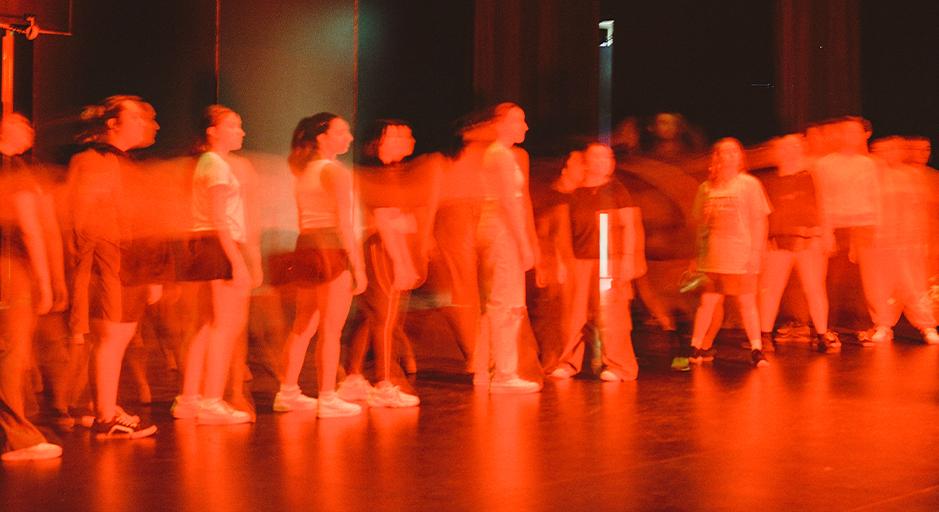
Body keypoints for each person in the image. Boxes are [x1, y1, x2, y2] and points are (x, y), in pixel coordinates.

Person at [65, 95, 160, 438]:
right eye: (138, 118)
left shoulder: (120, 162)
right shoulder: (93, 161)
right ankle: (105, 415)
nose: (150, 125)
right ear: (112, 123)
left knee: (117, 338)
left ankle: (102, 405)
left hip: (125, 261)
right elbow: (85, 221)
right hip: (112, 262)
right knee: (111, 338)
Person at [171, 105, 262, 424]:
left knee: (207, 326)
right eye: (234, 126)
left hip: (207, 243)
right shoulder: (217, 165)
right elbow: (219, 217)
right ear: (212, 131)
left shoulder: (210, 163)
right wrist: (238, 261)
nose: (241, 132)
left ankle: (190, 398)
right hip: (217, 244)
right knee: (224, 327)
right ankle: (210, 401)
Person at [339, 119, 437, 407]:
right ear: (376, 142)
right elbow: (384, 220)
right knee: (385, 317)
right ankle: (383, 381)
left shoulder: (393, 173)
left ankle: (353, 376)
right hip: (381, 250)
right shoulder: (374, 174)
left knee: (372, 318)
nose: (405, 141)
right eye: (394, 137)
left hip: (387, 247)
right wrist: (403, 262)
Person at [277, 112, 365, 417]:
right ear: (321, 137)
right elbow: (344, 223)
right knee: (331, 328)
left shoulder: (304, 173)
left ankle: (288, 391)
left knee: (303, 324)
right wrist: (358, 265)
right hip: (330, 247)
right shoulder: (335, 172)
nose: (349, 137)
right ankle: (327, 395)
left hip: (306, 244)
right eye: (341, 132)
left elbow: (304, 219)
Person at [549, 142, 643, 381]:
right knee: (573, 317)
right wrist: (561, 261)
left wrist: (628, 260)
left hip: (608, 261)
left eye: (607, 158)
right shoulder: (574, 192)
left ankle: (619, 366)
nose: (604, 162)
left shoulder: (617, 190)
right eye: (597, 158)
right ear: (587, 162)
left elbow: (630, 225)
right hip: (580, 261)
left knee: (612, 317)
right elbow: (563, 231)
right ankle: (568, 363)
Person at [0, 113, 61, 461]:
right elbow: (29, 228)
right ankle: (18, 438)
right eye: (23, 123)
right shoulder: (15, 170)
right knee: (12, 353)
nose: (31, 129)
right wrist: (44, 279)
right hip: (11, 269)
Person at [688, 138, 771, 368]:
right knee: (707, 302)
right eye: (725, 152)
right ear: (717, 157)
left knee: (747, 302)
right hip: (713, 256)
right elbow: (701, 226)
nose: (731, 156)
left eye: (735, 151)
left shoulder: (749, 184)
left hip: (741, 255)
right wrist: (697, 255)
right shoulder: (706, 188)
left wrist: (756, 251)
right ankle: (695, 347)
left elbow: (759, 221)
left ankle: (757, 349)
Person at [757, 134, 841, 352]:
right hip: (778, 240)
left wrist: (827, 234)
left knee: (815, 289)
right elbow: (763, 215)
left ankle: (822, 334)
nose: (790, 151)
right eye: (785, 147)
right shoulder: (769, 181)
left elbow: (824, 205)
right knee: (771, 289)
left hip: (810, 239)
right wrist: (761, 242)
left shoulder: (813, 176)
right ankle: (764, 335)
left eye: (795, 146)